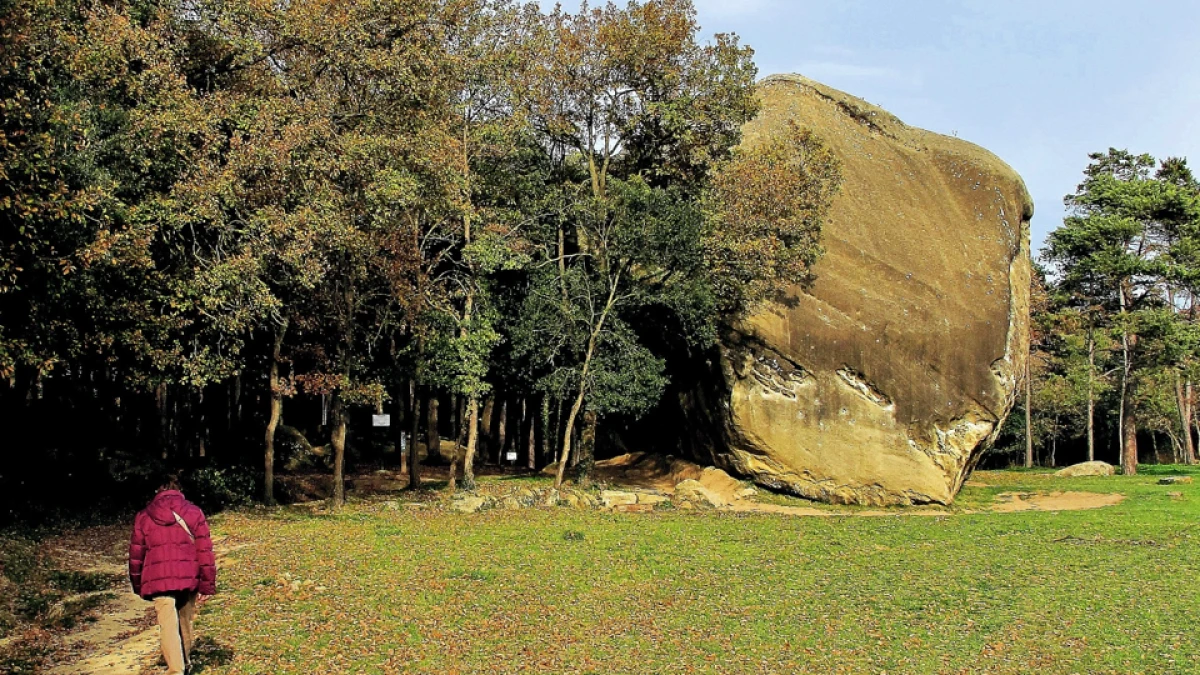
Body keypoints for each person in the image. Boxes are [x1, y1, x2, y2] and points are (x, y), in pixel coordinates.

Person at [129, 473, 217, 675]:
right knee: (184, 622)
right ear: (179, 490)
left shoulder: (143, 516)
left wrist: (137, 583)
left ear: (156, 491)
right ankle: (185, 663)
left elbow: (136, 555)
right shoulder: (194, 513)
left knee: (168, 625)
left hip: (157, 580)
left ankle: (175, 670)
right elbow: (205, 551)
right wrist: (207, 584)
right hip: (188, 577)